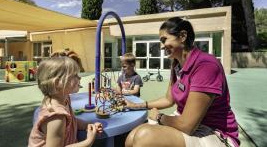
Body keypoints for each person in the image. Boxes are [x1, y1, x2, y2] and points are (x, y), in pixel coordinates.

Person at [125, 17, 240, 147]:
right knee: (131, 137)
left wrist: (159, 117)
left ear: (182, 36)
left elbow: (187, 125)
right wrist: (136, 106)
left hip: (214, 132)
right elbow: (169, 100)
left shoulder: (206, 65)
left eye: (164, 40)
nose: (162, 46)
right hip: (185, 122)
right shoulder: (177, 65)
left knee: (144, 136)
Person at [28, 57, 103, 147]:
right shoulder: (56, 117)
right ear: (57, 83)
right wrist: (88, 141)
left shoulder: (64, 99)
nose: (79, 77)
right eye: (74, 75)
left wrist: (87, 125)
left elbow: (72, 121)